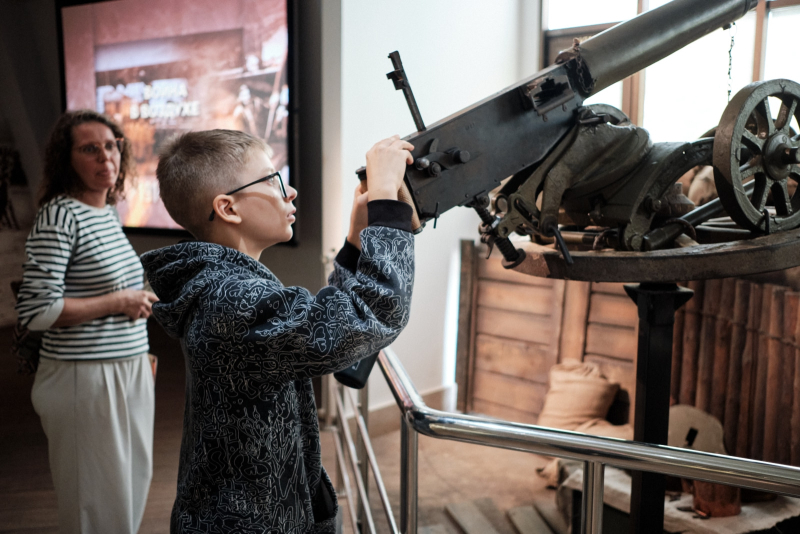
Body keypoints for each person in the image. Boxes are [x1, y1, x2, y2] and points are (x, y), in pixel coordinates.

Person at [140, 129, 415, 533]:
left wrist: (357, 242)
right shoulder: (230, 298)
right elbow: (372, 314)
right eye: (272, 180)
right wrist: (386, 205)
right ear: (228, 208)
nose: (291, 192)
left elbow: (317, 334)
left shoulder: (222, 284)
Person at [14, 110, 159, 533]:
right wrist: (119, 301)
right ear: (67, 159)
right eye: (90, 149)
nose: (105, 157)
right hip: (85, 379)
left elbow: (117, 295)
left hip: (127, 369)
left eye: (111, 146)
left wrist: (140, 351)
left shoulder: (107, 212)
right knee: (94, 507)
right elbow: (37, 311)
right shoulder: (60, 216)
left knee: (130, 488)